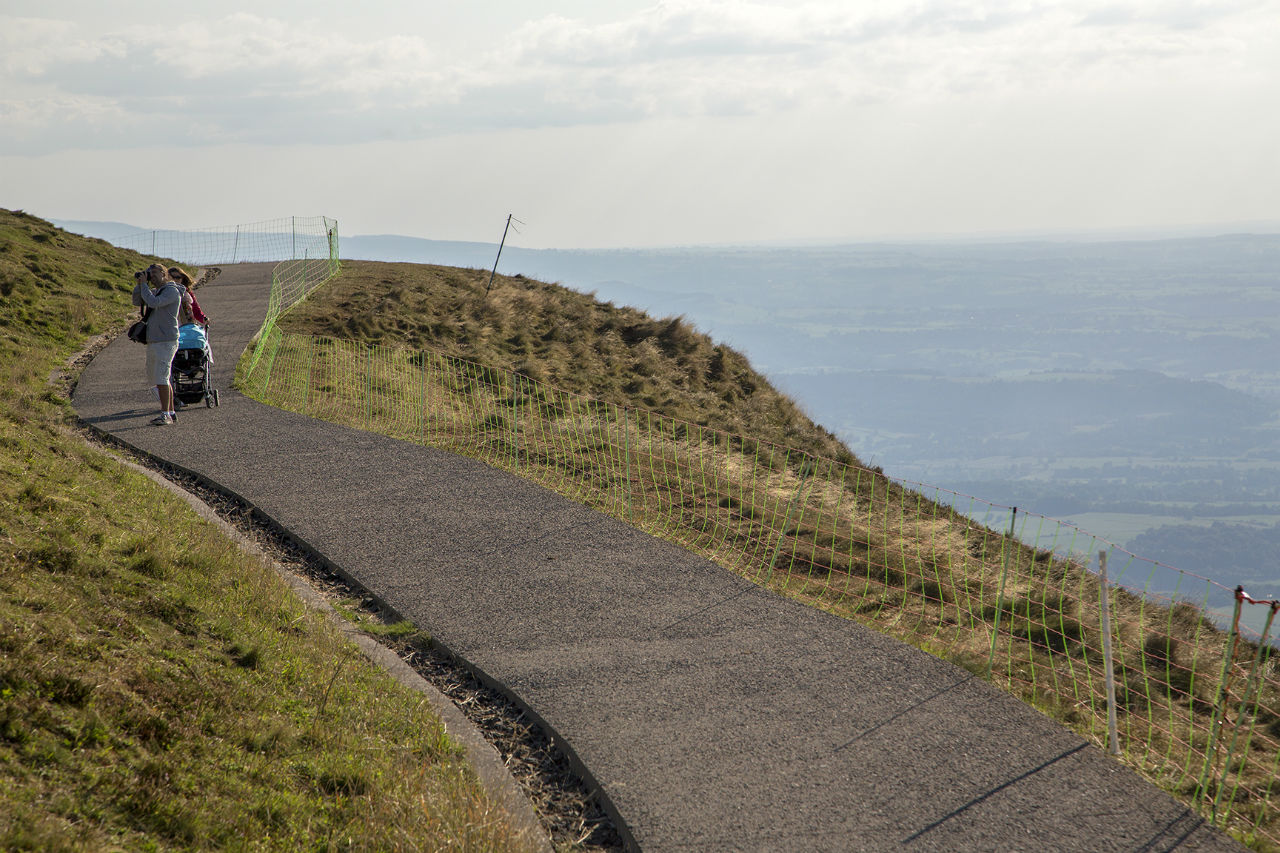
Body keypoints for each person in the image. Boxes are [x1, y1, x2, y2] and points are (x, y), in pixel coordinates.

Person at [132, 263, 184, 425]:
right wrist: (140, 285)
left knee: (162, 377)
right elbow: (136, 301)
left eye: (154, 273)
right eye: (149, 273)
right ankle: (171, 412)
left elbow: (153, 303)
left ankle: (165, 414)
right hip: (154, 340)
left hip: (166, 340)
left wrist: (145, 286)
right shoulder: (155, 291)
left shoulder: (171, 291)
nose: (152, 276)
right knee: (157, 378)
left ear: (164, 273)